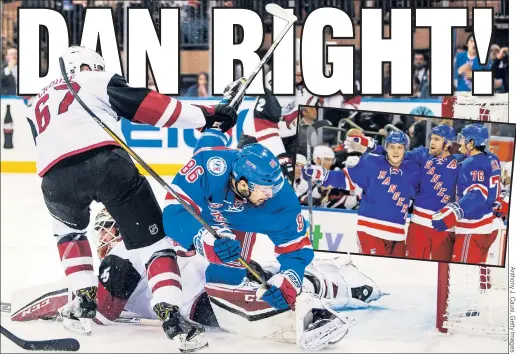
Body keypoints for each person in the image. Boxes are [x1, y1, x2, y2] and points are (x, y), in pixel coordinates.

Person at [25, 46, 237, 337]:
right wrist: (206, 116)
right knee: (156, 245)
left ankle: (83, 301)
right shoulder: (92, 79)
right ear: (87, 66)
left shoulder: (37, 101)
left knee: (67, 232)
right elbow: (151, 106)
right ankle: (172, 315)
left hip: (53, 178)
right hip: (107, 165)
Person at [11, 206, 385, 352]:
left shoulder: (120, 257)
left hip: (200, 295)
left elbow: (105, 313)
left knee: (255, 309)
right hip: (208, 274)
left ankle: (308, 313)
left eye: (105, 228)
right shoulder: (149, 240)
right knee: (274, 275)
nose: (101, 237)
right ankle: (346, 285)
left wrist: (57, 305)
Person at [162, 128, 373, 350]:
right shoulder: (211, 164)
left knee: (223, 283)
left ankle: (326, 283)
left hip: (240, 228)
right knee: (175, 263)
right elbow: (173, 213)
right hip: (202, 225)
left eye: (275, 187)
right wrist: (202, 239)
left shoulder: (281, 202)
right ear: (242, 183)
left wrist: (289, 279)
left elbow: (296, 250)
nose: (270, 195)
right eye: (264, 189)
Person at [303, 130, 420, 257]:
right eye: (392, 147)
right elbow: (345, 178)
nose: (396, 151)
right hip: (370, 231)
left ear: (405, 150)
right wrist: (321, 174)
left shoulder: (412, 170)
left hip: (398, 235)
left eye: (400, 147)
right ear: (386, 148)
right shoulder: (372, 163)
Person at [359, 125, 463, 261]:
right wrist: (372, 146)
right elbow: (395, 154)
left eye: (437, 139)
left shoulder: (460, 162)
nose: (431, 142)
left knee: (440, 271)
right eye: (431, 138)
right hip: (418, 225)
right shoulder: (422, 154)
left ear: (448, 143)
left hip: (445, 227)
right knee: (411, 267)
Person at [432, 123, 502, 264]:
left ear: (472, 142)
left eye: (463, 138)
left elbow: (477, 193)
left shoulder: (470, 164)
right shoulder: (492, 158)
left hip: (473, 230)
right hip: (489, 226)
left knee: (462, 273)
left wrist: (451, 215)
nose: (460, 141)